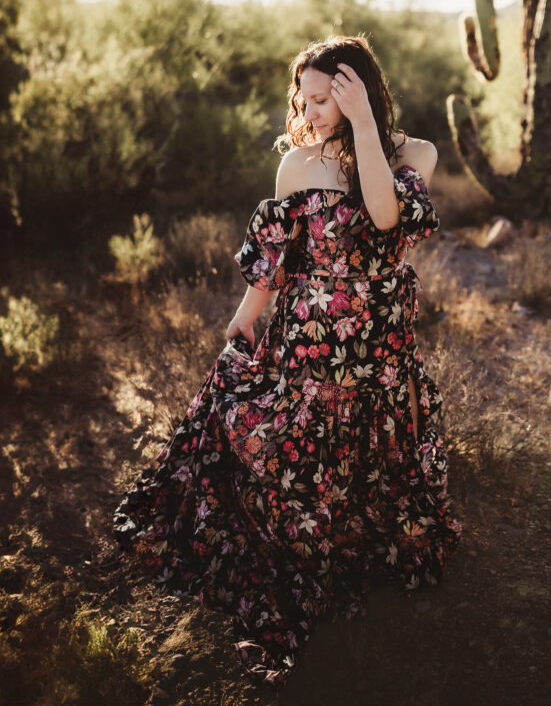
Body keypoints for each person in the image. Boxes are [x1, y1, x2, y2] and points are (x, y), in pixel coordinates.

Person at [112, 34, 462, 686]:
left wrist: (362, 127)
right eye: (306, 99)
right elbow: (277, 258)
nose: (313, 109)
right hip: (307, 333)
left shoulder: (415, 153)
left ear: (358, 88)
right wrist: (248, 312)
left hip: (380, 342)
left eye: (326, 96)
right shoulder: (297, 166)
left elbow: (386, 219)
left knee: (372, 448)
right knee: (266, 431)